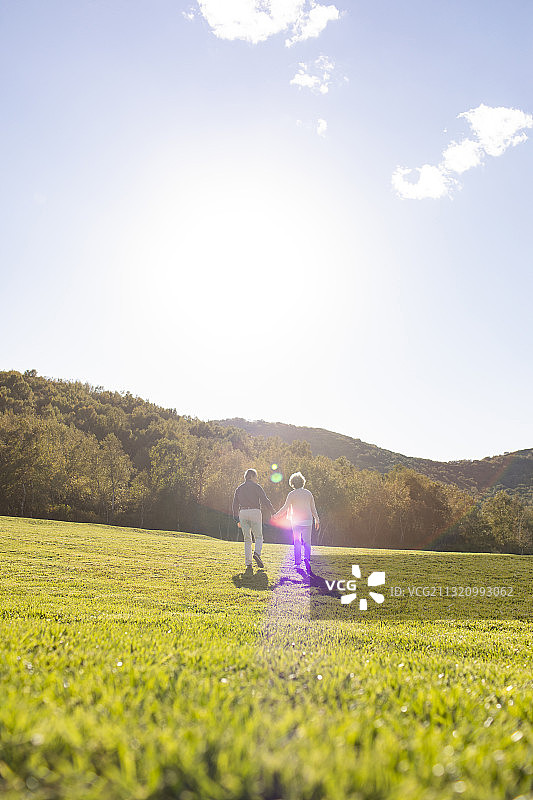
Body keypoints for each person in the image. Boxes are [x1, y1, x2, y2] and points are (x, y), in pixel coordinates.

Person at [271, 472, 319, 568]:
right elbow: (313, 508)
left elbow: (285, 508)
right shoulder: (308, 493)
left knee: (297, 541)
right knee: (307, 541)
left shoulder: (291, 494)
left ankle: (297, 562)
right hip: (308, 520)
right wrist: (317, 519)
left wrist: (276, 516)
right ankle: (307, 558)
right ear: (302, 482)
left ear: (292, 483)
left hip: (296, 521)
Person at [232, 468, 274, 572]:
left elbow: (234, 504)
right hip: (255, 512)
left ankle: (248, 563)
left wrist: (236, 518)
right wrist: (273, 511)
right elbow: (265, 499)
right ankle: (257, 553)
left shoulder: (239, 488)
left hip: (243, 513)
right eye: (256, 477)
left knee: (247, 539)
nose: (256, 479)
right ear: (251, 476)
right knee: (258, 537)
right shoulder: (256, 487)